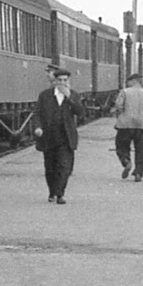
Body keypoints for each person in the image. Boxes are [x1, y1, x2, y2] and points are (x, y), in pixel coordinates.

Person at [33, 67, 88, 204]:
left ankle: (60, 194)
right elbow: (37, 113)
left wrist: (69, 98)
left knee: (65, 167)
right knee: (50, 167)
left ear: (69, 81)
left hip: (66, 137)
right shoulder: (45, 95)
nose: (62, 83)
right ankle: (52, 191)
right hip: (49, 136)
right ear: (55, 81)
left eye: (65, 80)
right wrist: (38, 127)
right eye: (60, 80)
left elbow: (81, 113)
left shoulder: (73, 95)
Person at [112, 72, 143, 182]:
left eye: (129, 81)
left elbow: (118, 106)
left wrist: (119, 115)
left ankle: (126, 161)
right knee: (141, 150)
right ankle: (138, 173)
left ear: (133, 81)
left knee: (121, 146)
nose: (127, 83)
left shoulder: (125, 92)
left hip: (125, 125)